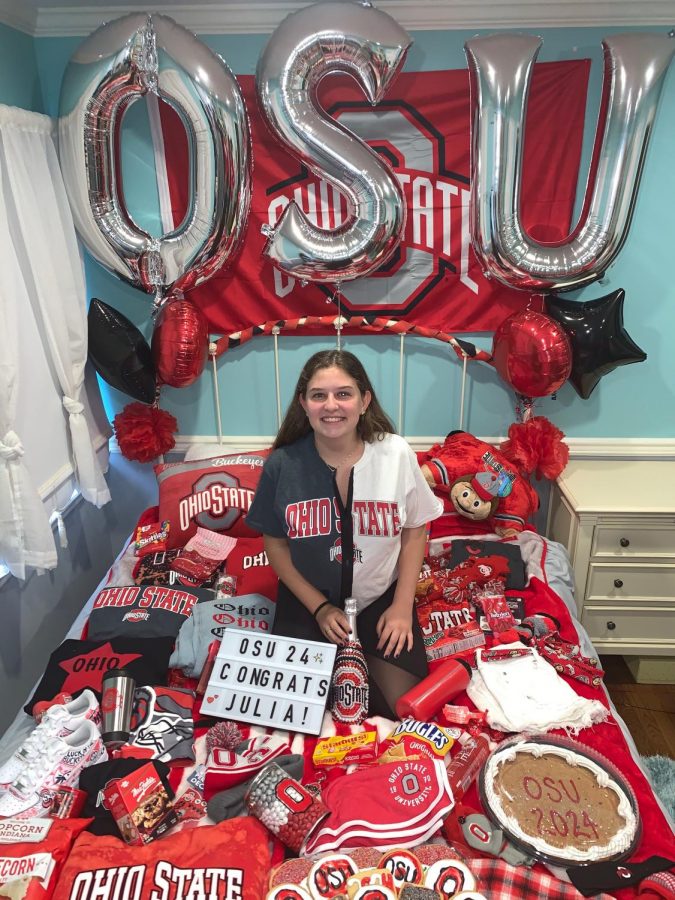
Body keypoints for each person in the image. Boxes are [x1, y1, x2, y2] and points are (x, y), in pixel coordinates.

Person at [245, 350, 443, 719]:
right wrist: (318, 608)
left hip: (379, 597)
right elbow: (274, 542)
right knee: (293, 713)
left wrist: (402, 607)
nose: (331, 406)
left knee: (400, 708)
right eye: (318, 395)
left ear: (364, 400)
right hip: (308, 599)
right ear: (303, 403)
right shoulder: (281, 465)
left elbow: (416, 529)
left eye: (344, 393)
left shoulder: (396, 454)